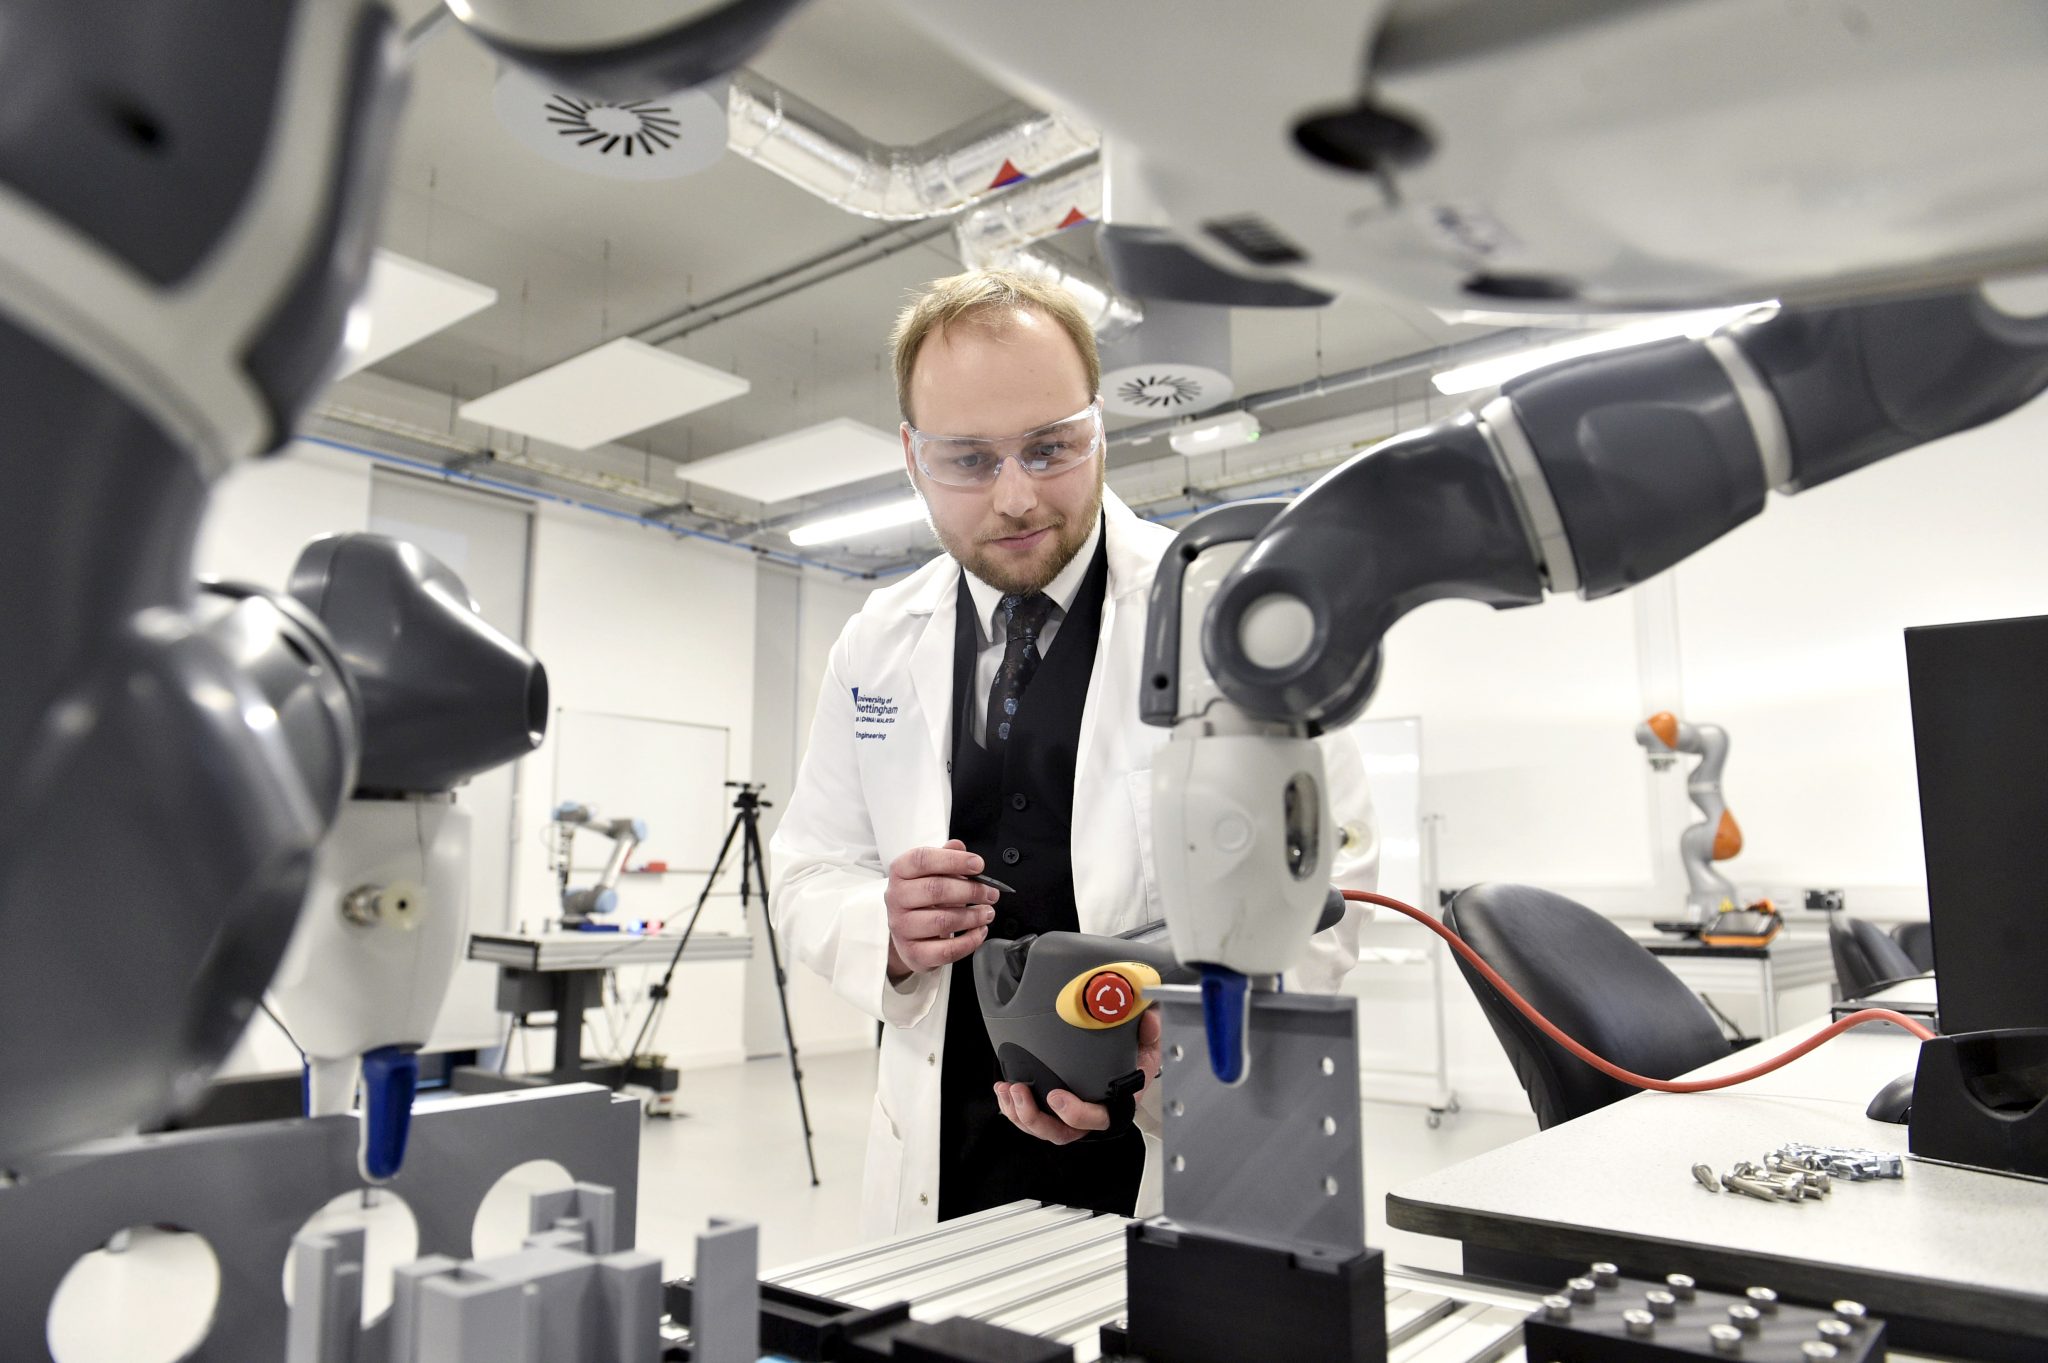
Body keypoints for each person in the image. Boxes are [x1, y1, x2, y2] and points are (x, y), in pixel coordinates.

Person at [770, 268, 1378, 1238]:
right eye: (967, 460)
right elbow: (805, 868)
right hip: (944, 1149)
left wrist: (1175, 1045)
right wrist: (880, 926)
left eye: (1049, 447)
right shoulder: (877, 641)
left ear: (1100, 427)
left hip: (1164, 1139)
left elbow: (1330, 886)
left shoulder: (1223, 618)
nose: (1015, 498)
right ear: (911, 455)